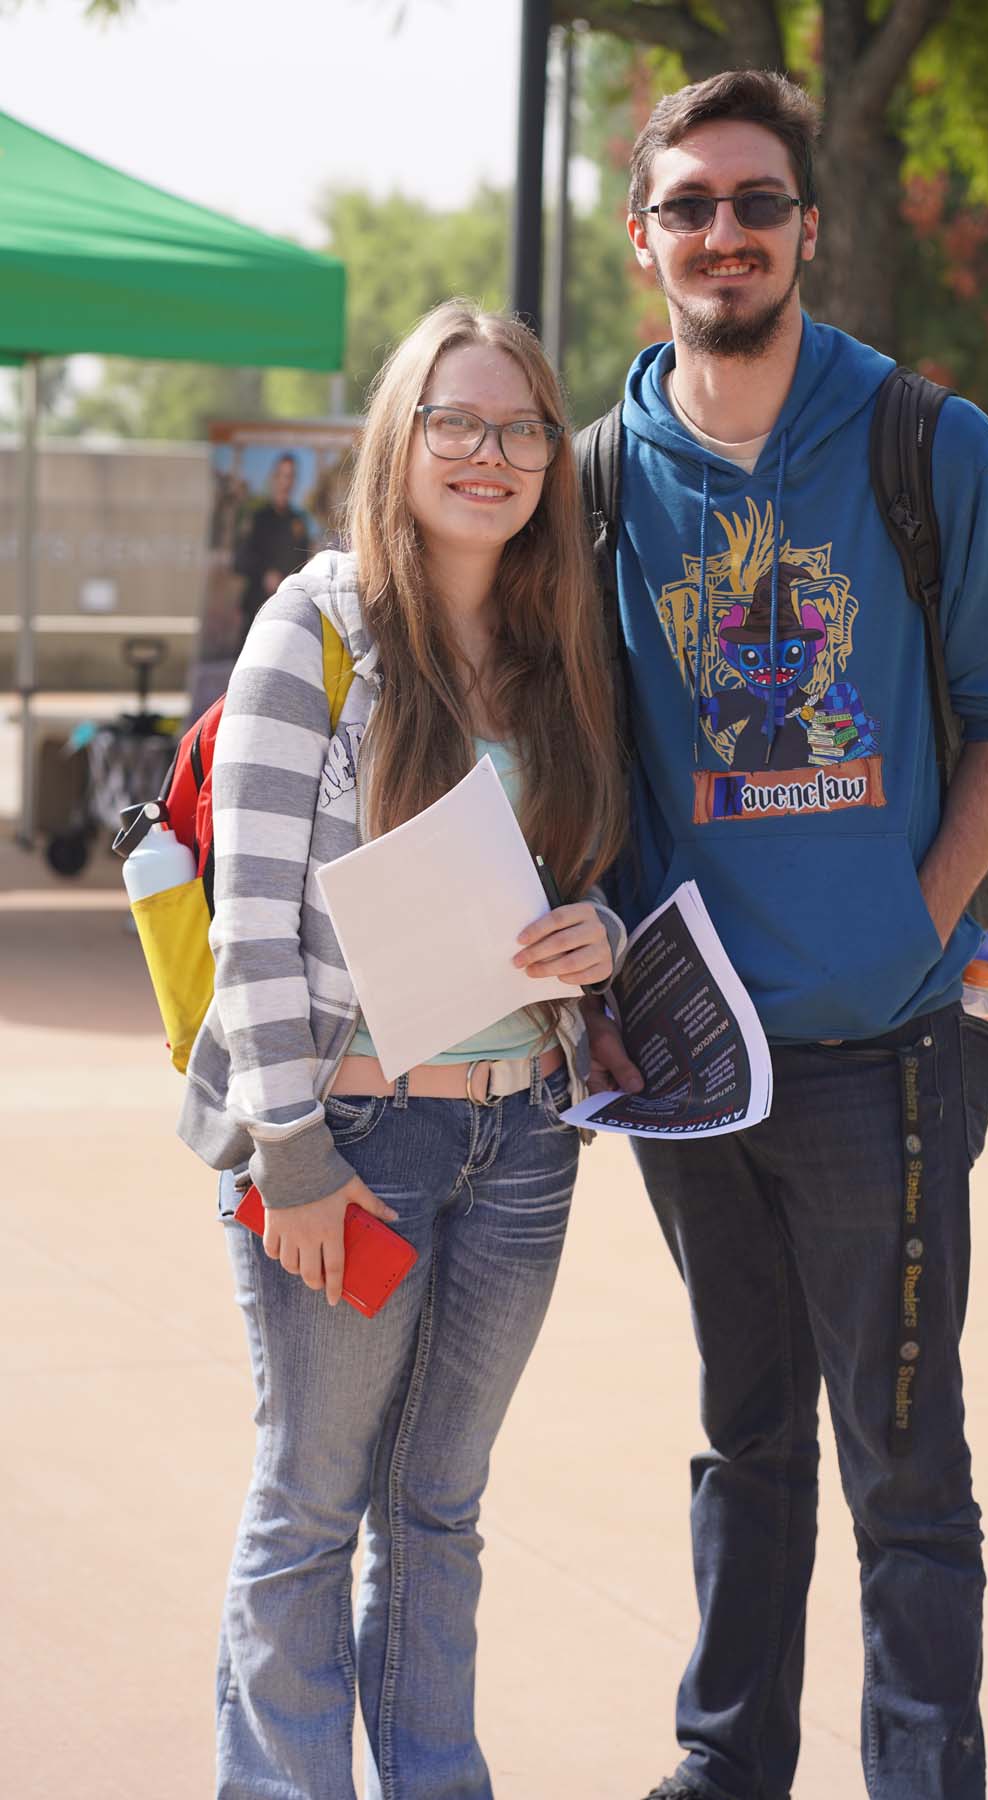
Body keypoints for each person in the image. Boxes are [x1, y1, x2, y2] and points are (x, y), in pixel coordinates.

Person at [580, 70, 988, 1800]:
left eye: (756, 201)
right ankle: (727, 1767)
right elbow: (565, 753)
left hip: (888, 1057)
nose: (726, 231)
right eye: (692, 204)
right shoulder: (593, 483)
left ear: (806, 228)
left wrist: (905, 927)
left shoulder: (933, 444)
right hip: (695, 1066)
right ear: (645, 241)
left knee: (905, 1466)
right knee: (744, 1437)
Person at [177, 300, 627, 1800]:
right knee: (312, 1505)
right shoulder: (315, 626)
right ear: (400, 437)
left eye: (520, 428)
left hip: (523, 1140)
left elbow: (587, 872)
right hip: (351, 1144)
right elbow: (246, 913)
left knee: (440, 1508)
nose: (490, 454)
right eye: (457, 421)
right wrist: (290, 1157)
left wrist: (600, 934)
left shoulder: (561, 639)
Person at [232, 450, 312, 633]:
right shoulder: (257, 518)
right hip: (256, 609)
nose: (286, 482)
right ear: (274, 478)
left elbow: (303, 563)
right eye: (282, 475)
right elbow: (239, 560)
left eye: (291, 476)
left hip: (287, 612)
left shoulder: (299, 521)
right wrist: (264, 573)